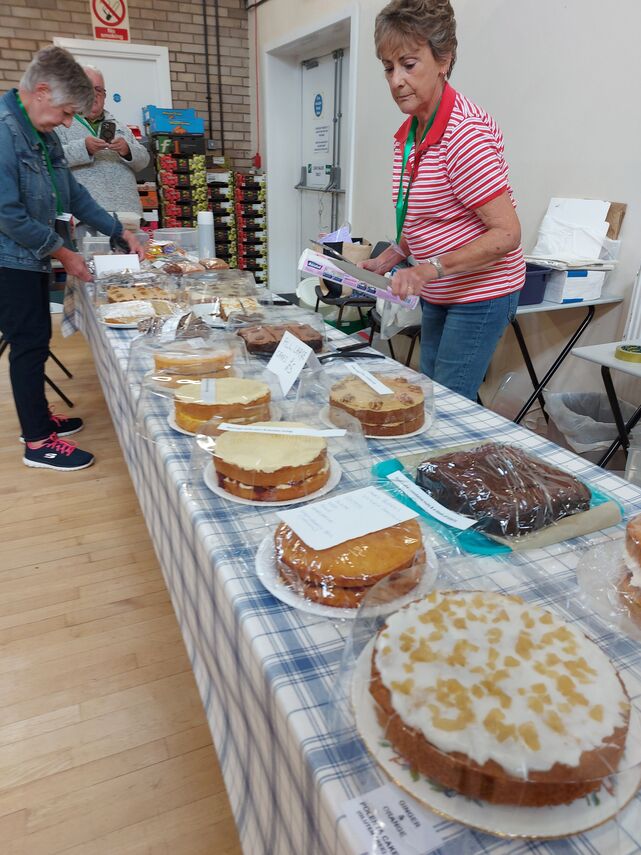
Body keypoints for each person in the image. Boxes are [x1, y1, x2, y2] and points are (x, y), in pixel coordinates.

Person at [362, 0, 525, 401]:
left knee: (448, 402)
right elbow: (428, 215)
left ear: (443, 60)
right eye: (388, 67)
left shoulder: (465, 134)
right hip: (440, 287)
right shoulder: (412, 132)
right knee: (429, 391)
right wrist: (393, 255)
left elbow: (507, 234)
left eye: (408, 64)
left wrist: (428, 270)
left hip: (480, 291)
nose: (396, 80)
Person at [0, 46, 144, 471]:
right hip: (9, 260)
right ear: (42, 91)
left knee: (36, 340)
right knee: (28, 344)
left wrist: (119, 230)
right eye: (65, 113)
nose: (67, 123)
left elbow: (73, 194)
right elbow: (7, 214)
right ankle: (37, 443)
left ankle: (40, 420)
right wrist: (64, 251)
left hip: (31, 256)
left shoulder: (41, 133)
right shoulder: (4, 132)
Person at [54, 65, 150, 236]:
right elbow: (52, 159)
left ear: (104, 96)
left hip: (128, 215)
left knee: (132, 254)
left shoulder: (120, 126)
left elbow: (144, 160)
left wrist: (127, 150)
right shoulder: (61, 125)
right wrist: (84, 148)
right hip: (87, 217)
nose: (94, 95)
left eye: (98, 90)